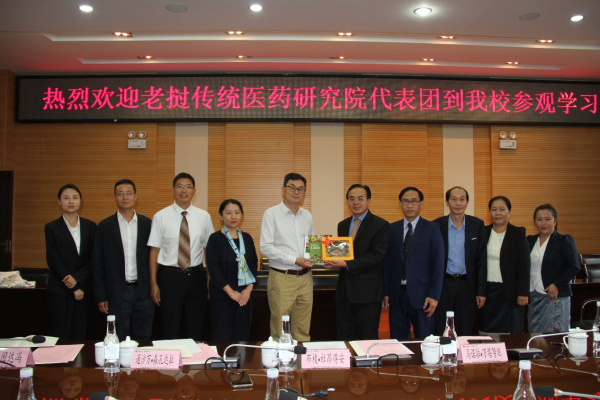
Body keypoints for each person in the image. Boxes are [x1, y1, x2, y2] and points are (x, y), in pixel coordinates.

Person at [148, 172, 215, 340]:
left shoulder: (204, 216)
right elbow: (154, 251)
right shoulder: (160, 216)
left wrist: (209, 278)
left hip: (196, 276)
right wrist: (154, 283)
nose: (184, 190)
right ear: (173, 190)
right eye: (180, 186)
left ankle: (195, 357)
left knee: (195, 326)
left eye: (188, 187)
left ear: (194, 191)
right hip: (170, 277)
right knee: (170, 326)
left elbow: (208, 250)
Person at [93, 179, 154, 341]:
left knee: (144, 337)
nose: (125, 197)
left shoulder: (148, 224)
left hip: (143, 291)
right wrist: (101, 295)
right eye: (120, 194)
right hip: (116, 292)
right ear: (115, 197)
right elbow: (97, 264)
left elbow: (155, 258)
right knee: (116, 338)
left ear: (135, 196)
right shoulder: (104, 226)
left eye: (128, 193)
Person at [326, 184, 389, 340]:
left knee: (367, 338)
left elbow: (377, 256)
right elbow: (342, 253)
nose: (356, 202)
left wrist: (347, 264)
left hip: (368, 293)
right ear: (347, 201)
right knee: (344, 337)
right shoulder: (343, 225)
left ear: (368, 200)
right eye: (351, 199)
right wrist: (328, 259)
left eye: (360, 198)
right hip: (344, 293)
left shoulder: (380, 225)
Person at [383, 187, 444, 339]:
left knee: (425, 341)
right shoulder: (392, 229)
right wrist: (386, 292)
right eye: (406, 201)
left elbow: (438, 264)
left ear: (421, 204)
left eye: (414, 201)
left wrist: (434, 295)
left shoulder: (432, 228)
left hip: (423, 296)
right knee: (398, 341)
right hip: (397, 295)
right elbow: (387, 262)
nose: (409, 205)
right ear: (400, 204)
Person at [260, 172, 314, 341]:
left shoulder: (307, 216)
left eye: (300, 189)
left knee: (303, 327)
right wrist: (294, 260)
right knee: (280, 329)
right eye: (292, 188)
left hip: (305, 278)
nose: (296, 192)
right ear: (283, 189)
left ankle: (301, 356)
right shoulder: (271, 214)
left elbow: (311, 245)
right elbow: (265, 247)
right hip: (282, 277)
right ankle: (279, 357)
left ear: (304, 192)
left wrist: (319, 257)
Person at [45, 183, 96, 340]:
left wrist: (77, 280)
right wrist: (72, 285)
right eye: (66, 198)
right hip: (60, 290)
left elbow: (93, 257)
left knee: (81, 334)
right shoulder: (52, 227)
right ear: (59, 202)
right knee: (61, 334)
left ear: (80, 201)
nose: (71, 201)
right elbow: (53, 259)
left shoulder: (90, 226)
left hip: (84, 289)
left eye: (75, 197)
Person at [433, 186, 487, 336]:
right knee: (442, 328)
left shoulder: (477, 225)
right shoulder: (437, 225)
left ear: (467, 202)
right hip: (444, 284)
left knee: (465, 328)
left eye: (462, 199)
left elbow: (481, 260)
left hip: (467, 285)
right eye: (454, 199)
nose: (458, 203)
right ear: (447, 202)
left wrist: (481, 291)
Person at [206, 199, 258, 341]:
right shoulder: (215, 239)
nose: (233, 216)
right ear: (221, 216)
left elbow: (254, 264)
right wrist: (231, 292)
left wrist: (248, 289)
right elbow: (213, 268)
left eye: (237, 212)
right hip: (222, 296)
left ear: (242, 215)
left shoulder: (247, 238)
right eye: (229, 213)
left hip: (243, 297)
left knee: (242, 338)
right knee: (222, 337)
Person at [479, 196, 530, 334]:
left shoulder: (518, 233)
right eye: (494, 209)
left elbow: (524, 265)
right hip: (488, 291)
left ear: (509, 212)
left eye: (502, 209)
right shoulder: (483, 232)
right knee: (488, 329)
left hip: (510, 292)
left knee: (512, 331)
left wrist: (523, 292)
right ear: (489, 212)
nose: (498, 213)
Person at [527, 204, 579, 333]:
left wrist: (556, 285)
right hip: (534, 296)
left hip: (555, 295)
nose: (543, 223)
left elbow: (574, 266)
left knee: (555, 334)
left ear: (555, 221)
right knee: (535, 334)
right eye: (539, 219)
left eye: (548, 219)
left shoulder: (564, 240)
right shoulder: (529, 241)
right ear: (534, 222)